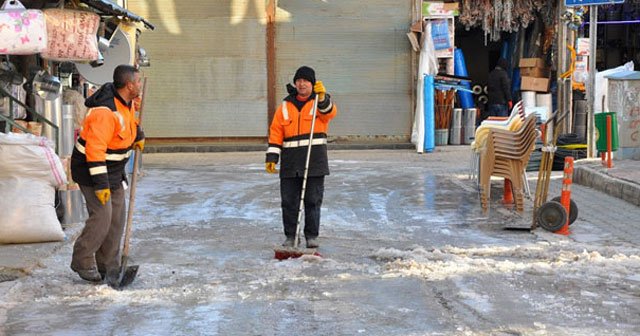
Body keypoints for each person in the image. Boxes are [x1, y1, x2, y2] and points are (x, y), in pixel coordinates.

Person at [70, 65, 145, 283]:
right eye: (138, 82)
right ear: (129, 85)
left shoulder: (126, 101)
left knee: (117, 218)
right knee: (102, 216)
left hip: (114, 170)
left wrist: (138, 135)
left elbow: (129, 123)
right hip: (91, 169)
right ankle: (82, 259)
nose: (140, 85)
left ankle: (108, 265)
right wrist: (101, 184)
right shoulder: (104, 111)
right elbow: (95, 150)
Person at [265, 66, 337, 248]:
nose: (302, 84)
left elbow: (329, 113)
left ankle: (311, 236)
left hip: (314, 161)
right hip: (290, 162)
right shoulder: (284, 107)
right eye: (299, 80)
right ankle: (290, 236)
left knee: (312, 201)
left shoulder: (319, 103)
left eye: (306, 81)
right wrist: (272, 157)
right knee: (289, 202)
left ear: (312, 84)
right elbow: (276, 132)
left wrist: (322, 97)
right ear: (295, 83)